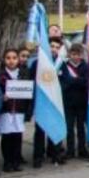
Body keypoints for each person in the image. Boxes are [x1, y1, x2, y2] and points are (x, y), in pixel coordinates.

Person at [32, 37, 66, 168]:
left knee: (55, 126)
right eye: (52, 46)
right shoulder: (37, 63)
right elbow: (32, 81)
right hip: (42, 100)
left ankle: (55, 154)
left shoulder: (61, 63)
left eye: (57, 47)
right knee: (40, 130)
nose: (54, 49)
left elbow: (66, 80)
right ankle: (38, 157)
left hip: (56, 100)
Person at [0, 48, 31, 172]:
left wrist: (28, 110)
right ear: (4, 60)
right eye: (8, 58)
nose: (11, 61)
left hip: (19, 110)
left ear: (18, 59)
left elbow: (28, 92)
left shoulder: (23, 73)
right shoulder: (0, 75)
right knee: (7, 136)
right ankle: (7, 161)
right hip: (6, 110)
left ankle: (16, 161)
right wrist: (2, 97)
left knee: (17, 135)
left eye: (14, 58)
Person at [59, 43, 89, 159]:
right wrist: (76, 81)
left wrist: (73, 81)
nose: (75, 57)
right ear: (69, 54)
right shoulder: (64, 66)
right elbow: (64, 82)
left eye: (78, 54)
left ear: (81, 55)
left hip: (81, 101)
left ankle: (82, 149)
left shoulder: (85, 66)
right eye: (73, 54)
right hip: (68, 101)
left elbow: (85, 82)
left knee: (81, 127)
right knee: (69, 127)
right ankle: (70, 150)